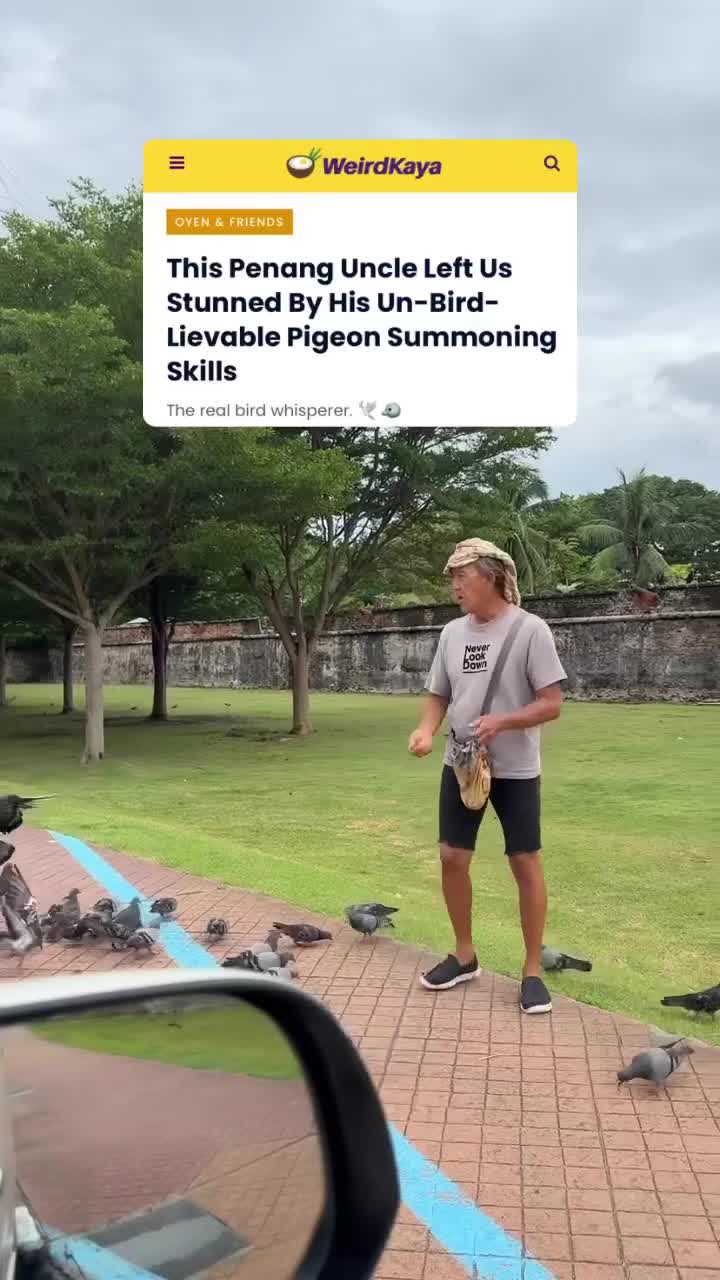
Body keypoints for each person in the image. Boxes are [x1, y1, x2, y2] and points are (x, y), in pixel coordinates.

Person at [408, 537, 567, 1015]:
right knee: (452, 856)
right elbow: (439, 693)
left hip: (515, 768)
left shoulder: (530, 630)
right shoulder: (452, 633)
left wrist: (504, 721)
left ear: (492, 576)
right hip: (460, 762)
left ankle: (533, 970)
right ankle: (464, 954)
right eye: (452, 577)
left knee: (525, 861)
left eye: (462, 575)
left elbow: (552, 703)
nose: (455, 585)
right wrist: (425, 729)